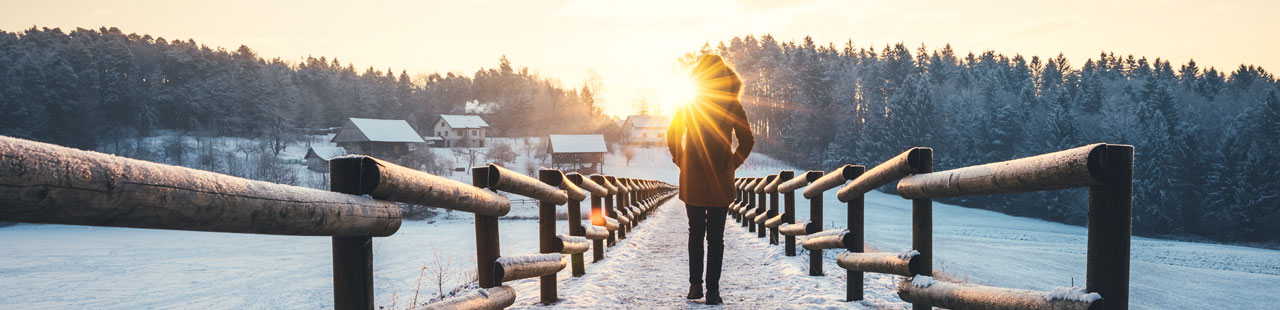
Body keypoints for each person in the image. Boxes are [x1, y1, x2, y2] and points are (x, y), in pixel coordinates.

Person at [666, 54, 754, 306]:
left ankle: (695, 286)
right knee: (716, 238)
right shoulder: (732, 104)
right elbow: (747, 141)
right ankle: (713, 292)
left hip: (693, 177)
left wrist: (680, 160)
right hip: (720, 180)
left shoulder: (690, 102)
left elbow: (672, 134)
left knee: (695, 233)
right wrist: (732, 163)